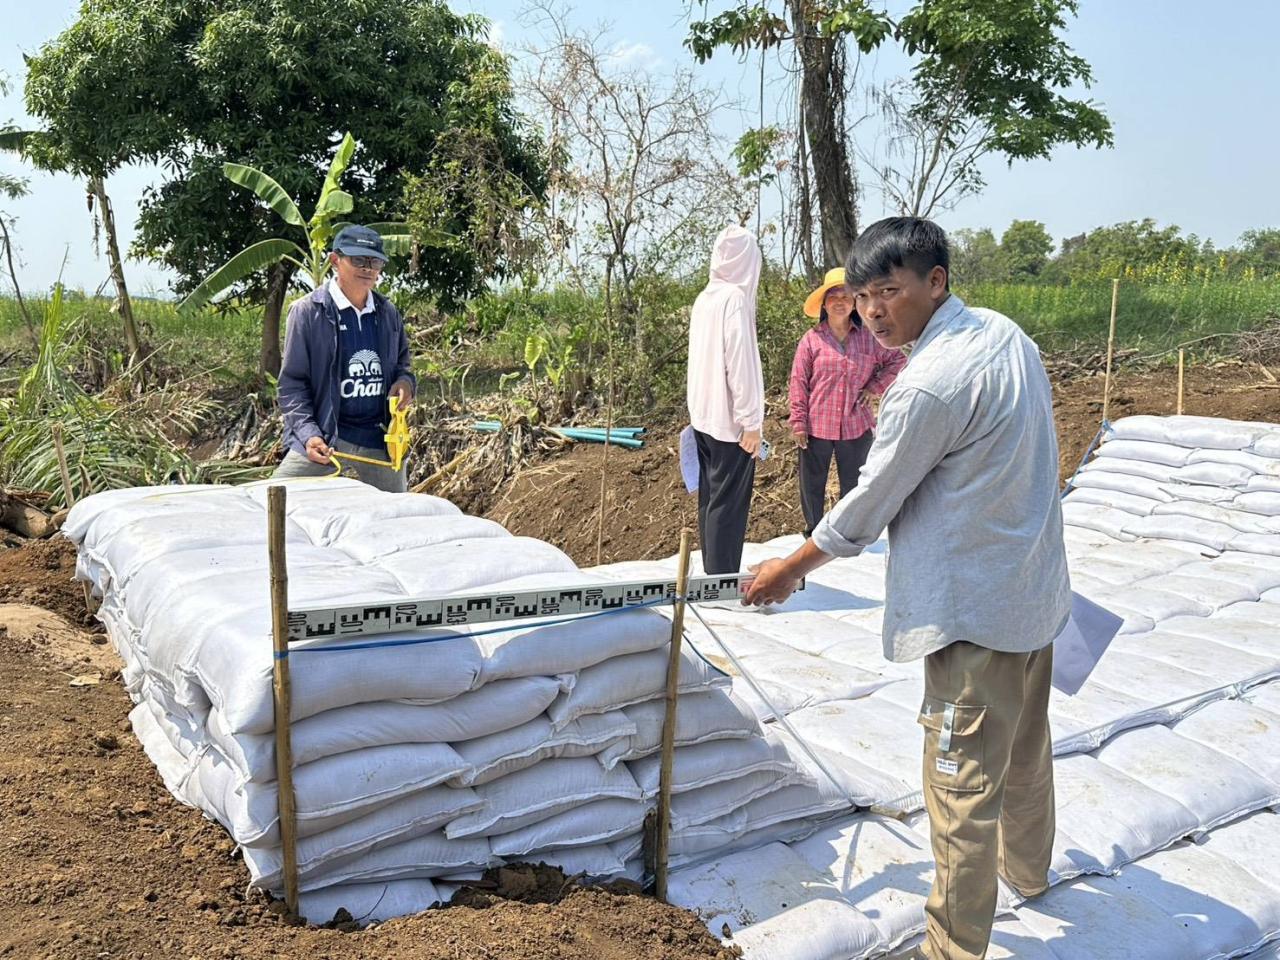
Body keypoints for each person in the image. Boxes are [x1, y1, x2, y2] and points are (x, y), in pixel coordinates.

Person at [744, 217, 1070, 960]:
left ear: (937, 282)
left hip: (971, 615)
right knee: (1024, 750)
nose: (873, 312)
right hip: (1033, 592)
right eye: (861, 297)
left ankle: (952, 949)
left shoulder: (928, 384)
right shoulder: (1006, 336)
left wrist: (790, 569)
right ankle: (1032, 872)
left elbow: (870, 502)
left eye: (888, 291)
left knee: (959, 794)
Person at [274, 225, 416, 492]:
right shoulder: (307, 312)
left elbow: (403, 366)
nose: (368, 268)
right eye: (358, 260)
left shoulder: (387, 313)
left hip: (379, 439)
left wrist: (405, 384)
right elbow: (291, 385)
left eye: (374, 261)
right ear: (335, 260)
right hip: (326, 438)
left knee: (396, 515)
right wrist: (309, 435)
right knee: (275, 499)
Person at [789, 267, 907, 537]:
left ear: (854, 301)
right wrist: (798, 421)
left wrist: (874, 387)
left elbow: (897, 360)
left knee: (854, 482)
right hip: (817, 424)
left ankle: (846, 532)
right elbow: (798, 381)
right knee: (812, 484)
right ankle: (814, 533)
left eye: (846, 295)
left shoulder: (868, 337)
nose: (840, 301)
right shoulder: (812, 340)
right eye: (833, 296)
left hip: (856, 422)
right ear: (824, 303)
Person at [687, 224, 765, 574]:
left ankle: (711, 571)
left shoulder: (705, 298)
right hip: (729, 421)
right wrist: (751, 422)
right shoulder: (733, 299)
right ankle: (720, 580)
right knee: (728, 504)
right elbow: (740, 364)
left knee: (711, 498)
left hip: (704, 417)